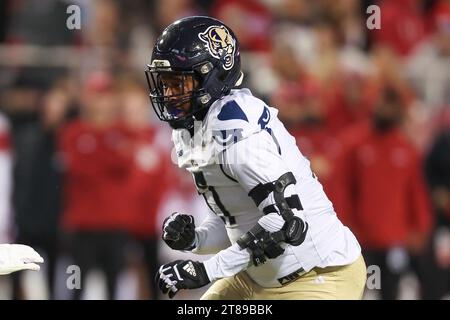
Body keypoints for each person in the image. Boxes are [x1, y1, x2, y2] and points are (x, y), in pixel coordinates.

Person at [149, 16, 366, 300]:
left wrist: (206, 270)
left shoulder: (236, 131)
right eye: (165, 83)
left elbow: (286, 222)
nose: (168, 94)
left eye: (178, 83)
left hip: (318, 276)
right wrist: (196, 240)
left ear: (211, 76)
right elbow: (240, 217)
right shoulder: (196, 128)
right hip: (258, 276)